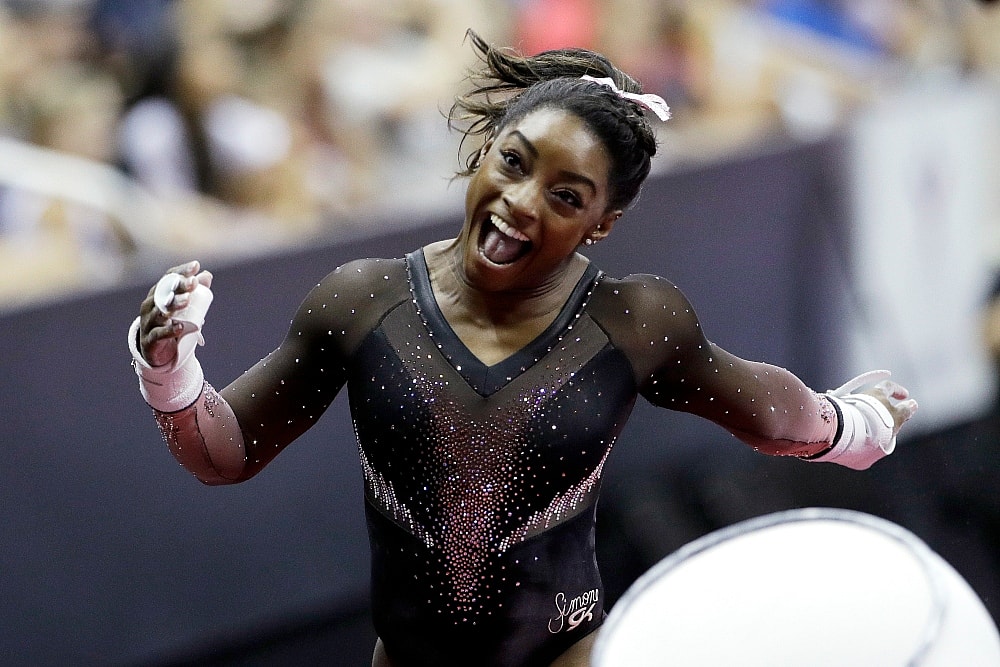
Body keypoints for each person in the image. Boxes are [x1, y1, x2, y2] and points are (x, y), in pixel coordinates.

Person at [128, 30, 918, 667]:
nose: (519, 204)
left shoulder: (632, 320)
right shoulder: (365, 300)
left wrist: (855, 423)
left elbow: (770, 415)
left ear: (601, 222)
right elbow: (225, 452)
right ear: (488, 149)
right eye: (514, 162)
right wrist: (171, 374)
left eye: (566, 196)